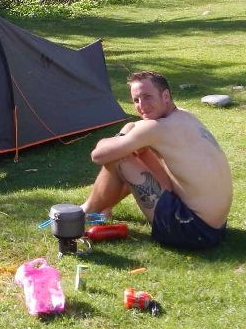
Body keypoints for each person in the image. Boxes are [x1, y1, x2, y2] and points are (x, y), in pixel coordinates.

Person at [81, 71, 232, 250]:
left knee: (120, 157)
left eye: (147, 97)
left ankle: (87, 212)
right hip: (214, 229)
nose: (141, 105)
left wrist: (122, 134)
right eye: (136, 100)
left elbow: (98, 156)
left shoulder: (156, 128)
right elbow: (166, 181)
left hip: (191, 229)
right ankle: (101, 209)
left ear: (165, 96)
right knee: (136, 151)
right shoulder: (185, 116)